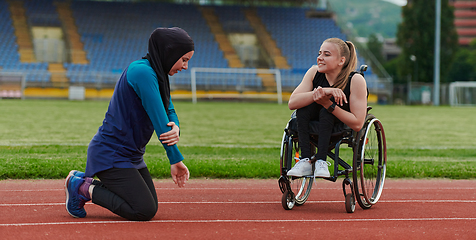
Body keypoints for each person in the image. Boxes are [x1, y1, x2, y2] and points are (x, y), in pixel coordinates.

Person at [64, 27, 194, 221]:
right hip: (111, 154)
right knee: (143, 210)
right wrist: (175, 160)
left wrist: (175, 126)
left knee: (149, 204)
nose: (185, 67)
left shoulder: (157, 75)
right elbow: (160, 120)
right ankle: (82, 187)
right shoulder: (142, 72)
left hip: (131, 155)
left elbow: (169, 110)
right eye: (184, 60)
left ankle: (83, 181)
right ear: (170, 52)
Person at [286, 38, 367, 178]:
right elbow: (292, 103)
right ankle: (305, 160)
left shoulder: (355, 80)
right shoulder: (313, 72)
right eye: (319, 53)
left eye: (326, 54)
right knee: (302, 109)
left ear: (341, 61)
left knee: (326, 111)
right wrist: (324, 91)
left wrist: (328, 104)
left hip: (338, 122)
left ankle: (321, 161)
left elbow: (358, 124)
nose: (320, 58)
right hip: (312, 118)